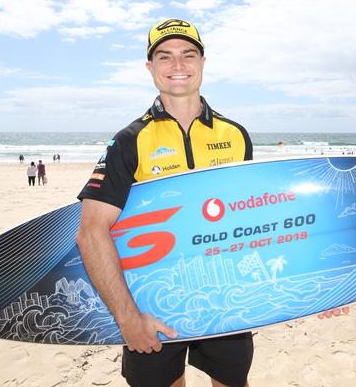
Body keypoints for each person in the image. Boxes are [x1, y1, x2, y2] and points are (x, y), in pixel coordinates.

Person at [76, 19, 253, 387]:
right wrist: (127, 318)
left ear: (203, 62)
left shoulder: (236, 135)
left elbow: (253, 217)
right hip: (152, 301)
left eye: (188, 55)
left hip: (225, 297)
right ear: (150, 68)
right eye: (165, 56)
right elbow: (91, 233)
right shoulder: (130, 140)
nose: (178, 66)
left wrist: (327, 294)